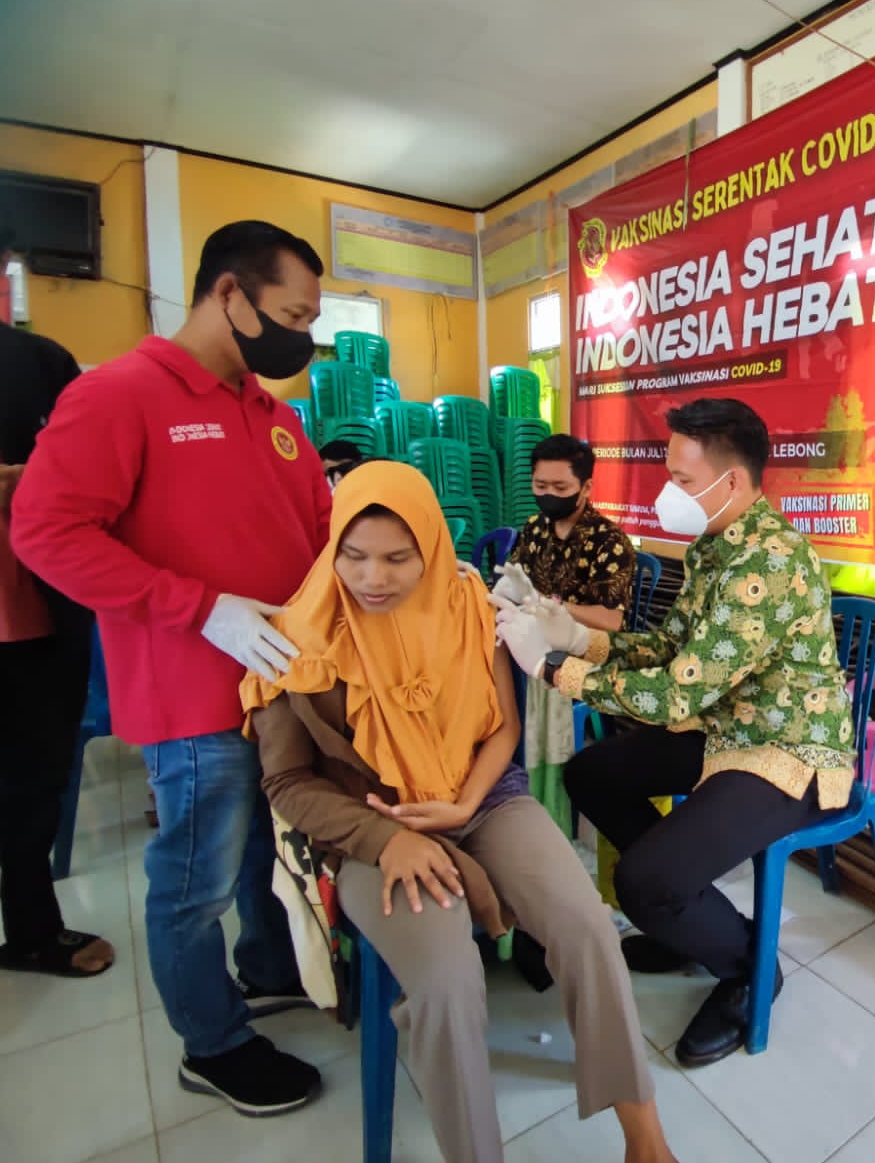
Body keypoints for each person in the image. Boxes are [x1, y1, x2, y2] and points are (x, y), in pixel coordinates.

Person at [245, 461, 676, 1163]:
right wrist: (387, 840)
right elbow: (288, 782)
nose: (373, 577)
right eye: (353, 555)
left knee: (588, 926)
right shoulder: (298, 635)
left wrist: (465, 803)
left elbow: (503, 726)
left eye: (397, 558)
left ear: (432, 547)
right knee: (447, 981)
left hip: (482, 795)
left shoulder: (467, 603)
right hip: (371, 826)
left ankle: (646, 1140)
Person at [11, 221, 333, 1115]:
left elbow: (319, 530)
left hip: (281, 690)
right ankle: (213, 1042)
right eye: (293, 315)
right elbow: (45, 533)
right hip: (191, 700)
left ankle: (268, 968)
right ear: (229, 293)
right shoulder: (119, 395)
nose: (302, 337)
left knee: (268, 852)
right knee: (195, 879)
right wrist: (200, 606)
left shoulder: (276, 418)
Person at [495, 397, 855, 1067]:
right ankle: (682, 914)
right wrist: (576, 638)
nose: (670, 492)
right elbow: (671, 648)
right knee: (591, 774)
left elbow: (676, 693)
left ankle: (748, 968)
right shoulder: (717, 543)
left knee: (644, 880)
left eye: (683, 480)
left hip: (788, 749)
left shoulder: (767, 563)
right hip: (724, 725)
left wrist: (552, 668)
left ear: (733, 481)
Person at [0, 224, 109, 979]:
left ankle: (33, 928)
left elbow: (89, 470)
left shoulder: (41, 363)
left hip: (39, 607)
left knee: (36, 776)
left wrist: (31, 481)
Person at [494, 433, 635, 836]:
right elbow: (514, 583)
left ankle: (539, 792)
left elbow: (611, 621)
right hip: (531, 635)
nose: (549, 496)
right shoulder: (535, 529)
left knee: (520, 675)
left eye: (560, 487)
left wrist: (552, 605)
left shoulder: (609, 542)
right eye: (541, 486)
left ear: (586, 487)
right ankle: (503, 772)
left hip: (584, 647)